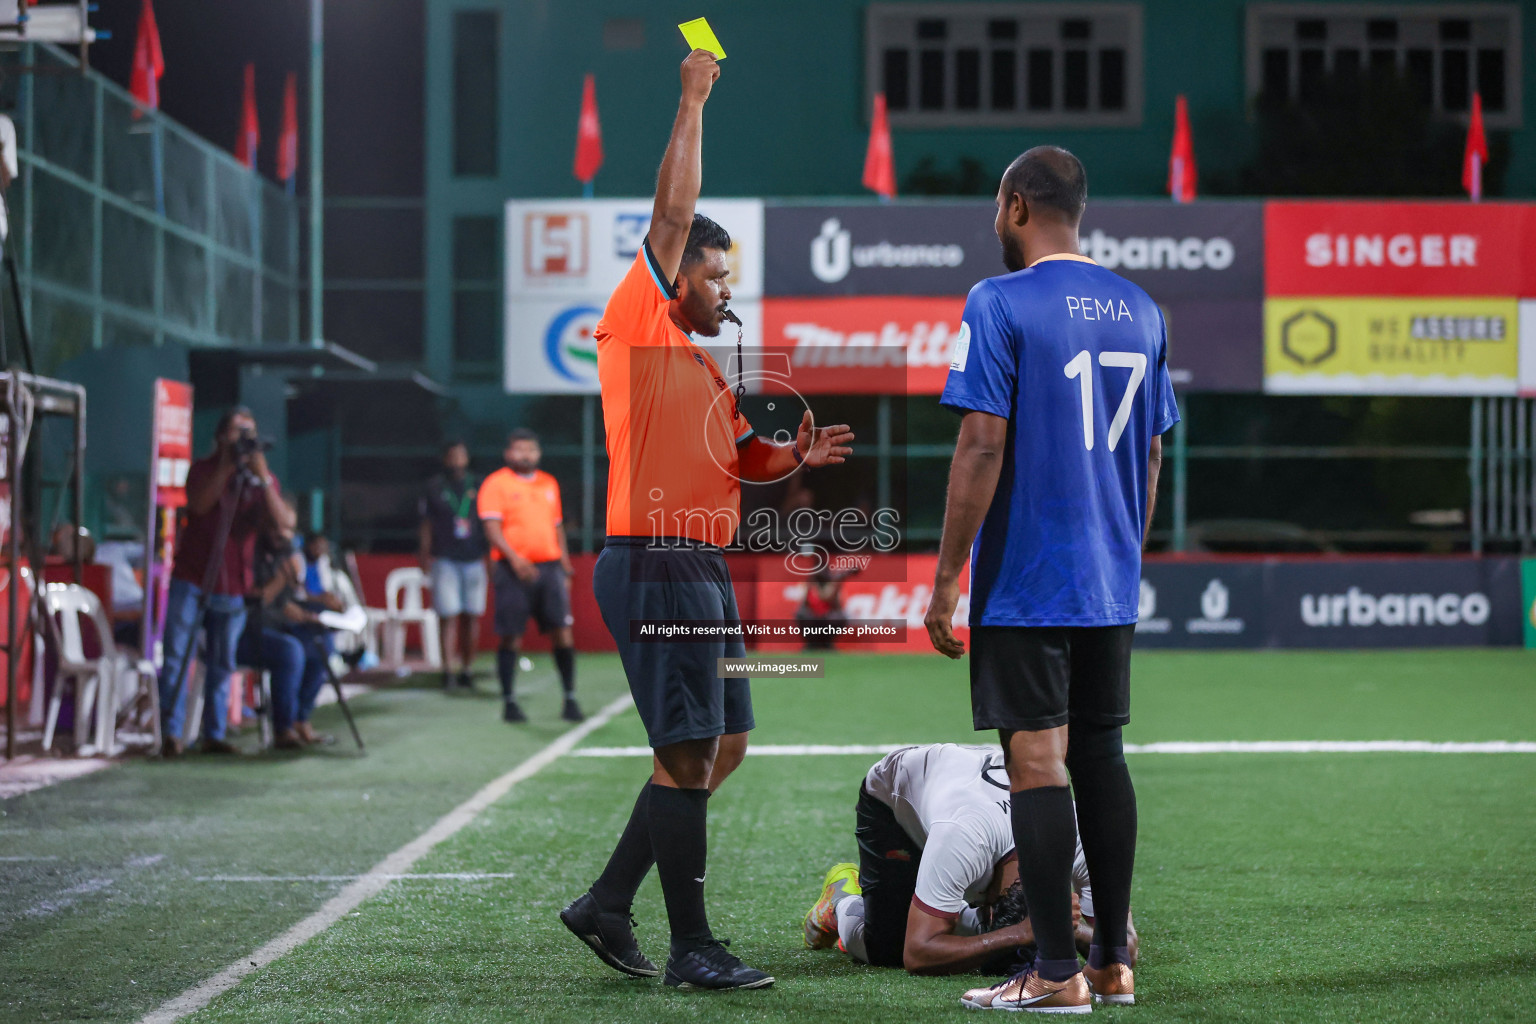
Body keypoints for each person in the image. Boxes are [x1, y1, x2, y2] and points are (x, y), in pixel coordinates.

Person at [557, 49, 856, 994]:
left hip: (697, 562)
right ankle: (692, 947)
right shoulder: (638, 319)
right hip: (653, 561)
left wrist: (789, 458)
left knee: (722, 748)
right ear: (674, 276)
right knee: (685, 755)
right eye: (717, 275)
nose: (728, 290)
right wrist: (690, 99)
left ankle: (608, 901)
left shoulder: (699, 368)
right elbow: (673, 214)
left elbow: (741, 462)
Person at [922, 147, 1177, 1012]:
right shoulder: (1142, 307)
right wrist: (1124, 555)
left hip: (1029, 575)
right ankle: (1110, 962)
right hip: (1110, 575)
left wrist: (948, 576)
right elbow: (1148, 455)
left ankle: (1055, 974)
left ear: (1019, 204)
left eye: (997, 208)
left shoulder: (998, 301)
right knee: (1101, 754)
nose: (995, 223)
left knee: (1036, 763)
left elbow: (982, 442)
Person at [802, 744, 1137, 977]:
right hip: (895, 793)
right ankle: (841, 899)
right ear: (988, 905)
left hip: (960, 792)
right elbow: (916, 954)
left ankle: (960, 918)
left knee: (965, 935)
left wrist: (1068, 929)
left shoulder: (1082, 840)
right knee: (887, 948)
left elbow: (1126, 949)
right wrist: (1018, 935)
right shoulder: (964, 838)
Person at [157, 407, 294, 757]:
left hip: (233, 587)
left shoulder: (261, 480)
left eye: (250, 431)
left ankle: (213, 735)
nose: (244, 439)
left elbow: (283, 524)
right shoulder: (204, 469)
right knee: (176, 658)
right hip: (192, 579)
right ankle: (171, 736)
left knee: (222, 663)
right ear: (221, 437)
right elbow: (200, 505)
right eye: (237, 431)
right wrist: (228, 466)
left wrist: (261, 477)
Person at [476, 429, 578, 723]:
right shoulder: (496, 484)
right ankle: (509, 702)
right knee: (511, 637)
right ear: (509, 453)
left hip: (549, 568)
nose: (525, 454)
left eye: (531, 449)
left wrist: (565, 565)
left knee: (562, 632)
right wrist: (515, 559)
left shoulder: (549, 483)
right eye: (519, 449)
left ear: (539, 453)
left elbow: (557, 527)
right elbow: (492, 527)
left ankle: (570, 699)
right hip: (512, 570)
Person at [418, 441, 488, 691]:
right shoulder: (435, 486)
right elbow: (426, 524)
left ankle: (467, 670)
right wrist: (424, 555)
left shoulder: (479, 485)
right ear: (445, 459)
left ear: (467, 458)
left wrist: (490, 557)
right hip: (444, 558)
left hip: (474, 558)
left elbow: (489, 522)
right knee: (447, 616)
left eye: (461, 455)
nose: (457, 461)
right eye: (452, 456)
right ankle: (448, 670)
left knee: (472, 615)